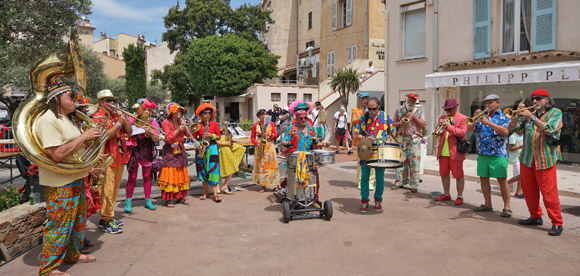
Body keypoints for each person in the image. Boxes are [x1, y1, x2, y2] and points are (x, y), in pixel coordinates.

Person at [37, 81, 101, 276]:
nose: (75, 100)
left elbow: (73, 152)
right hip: (59, 183)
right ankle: (48, 269)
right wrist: (84, 137)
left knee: (78, 221)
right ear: (56, 99)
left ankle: (72, 254)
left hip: (75, 177)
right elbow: (57, 154)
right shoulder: (48, 120)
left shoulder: (67, 119)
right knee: (59, 225)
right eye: (71, 96)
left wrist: (89, 165)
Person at [508, 89, 564, 236]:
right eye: (533, 99)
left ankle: (557, 222)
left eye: (538, 99)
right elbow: (513, 129)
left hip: (545, 158)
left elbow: (551, 130)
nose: (534, 102)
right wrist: (516, 116)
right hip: (527, 158)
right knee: (529, 191)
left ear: (547, 100)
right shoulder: (528, 114)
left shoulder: (555, 113)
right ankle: (535, 216)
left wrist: (531, 117)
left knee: (549, 192)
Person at [92, 89, 132, 234]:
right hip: (107, 159)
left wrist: (123, 119)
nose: (112, 103)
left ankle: (105, 218)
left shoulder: (114, 116)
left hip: (119, 157)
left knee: (114, 191)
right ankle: (107, 219)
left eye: (112, 100)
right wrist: (119, 123)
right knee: (107, 191)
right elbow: (103, 136)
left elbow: (129, 132)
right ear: (100, 102)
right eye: (108, 100)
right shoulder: (97, 117)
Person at [467, 94, 512, 218]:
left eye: (490, 102)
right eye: (486, 103)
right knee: (483, 179)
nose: (487, 105)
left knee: (502, 180)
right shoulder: (482, 116)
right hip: (483, 153)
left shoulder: (504, 116)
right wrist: (474, 118)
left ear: (497, 103)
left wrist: (488, 122)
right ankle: (488, 204)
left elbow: (505, 132)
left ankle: (507, 207)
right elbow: (469, 128)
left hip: (498, 153)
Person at [354, 97, 393, 212]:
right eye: (369, 109)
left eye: (374, 109)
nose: (371, 111)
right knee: (364, 177)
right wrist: (366, 138)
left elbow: (392, 131)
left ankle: (378, 200)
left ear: (378, 107)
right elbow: (357, 134)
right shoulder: (363, 118)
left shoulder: (386, 117)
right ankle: (364, 200)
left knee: (380, 178)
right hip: (366, 149)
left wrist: (389, 140)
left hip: (381, 150)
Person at [124, 98, 160, 213]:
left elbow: (156, 138)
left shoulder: (153, 122)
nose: (147, 112)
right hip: (135, 150)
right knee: (132, 176)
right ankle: (128, 201)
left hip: (146, 150)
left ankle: (148, 200)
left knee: (147, 175)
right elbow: (126, 133)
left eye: (149, 110)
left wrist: (150, 132)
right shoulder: (131, 119)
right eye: (145, 109)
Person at [433, 98, 467, 205]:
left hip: (455, 151)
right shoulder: (443, 117)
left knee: (458, 175)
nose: (447, 112)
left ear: (455, 107)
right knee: (444, 174)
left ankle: (460, 195)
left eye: (450, 109)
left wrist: (449, 127)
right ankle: (446, 194)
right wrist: (439, 128)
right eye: (446, 109)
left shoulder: (462, 118)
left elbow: (462, 133)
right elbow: (437, 133)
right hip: (443, 151)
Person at [392, 93, 426, 193]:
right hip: (402, 138)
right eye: (410, 100)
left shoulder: (419, 111)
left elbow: (424, 125)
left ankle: (414, 184)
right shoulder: (399, 110)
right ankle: (399, 182)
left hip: (414, 139)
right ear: (406, 100)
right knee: (400, 161)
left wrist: (414, 117)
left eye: (414, 101)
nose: (412, 102)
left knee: (414, 162)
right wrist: (400, 123)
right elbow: (393, 124)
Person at [159, 102, 191, 207]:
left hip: (180, 149)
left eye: (180, 111)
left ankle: (180, 197)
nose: (179, 113)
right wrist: (178, 130)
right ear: (171, 112)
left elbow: (188, 134)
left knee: (180, 172)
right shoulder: (165, 122)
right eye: (177, 111)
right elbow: (168, 139)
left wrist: (186, 127)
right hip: (170, 150)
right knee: (170, 173)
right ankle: (169, 199)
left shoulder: (181, 122)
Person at [193, 103, 223, 202]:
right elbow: (194, 137)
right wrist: (198, 145)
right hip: (202, 149)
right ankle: (205, 192)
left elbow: (219, 136)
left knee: (214, 170)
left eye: (209, 113)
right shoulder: (198, 125)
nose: (207, 115)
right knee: (203, 170)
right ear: (200, 114)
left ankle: (215, 194)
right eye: (205, 113)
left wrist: (212, 136)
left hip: (213, 148)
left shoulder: (214, 124)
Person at [251, 109, 279, 192]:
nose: (264, 116)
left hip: (269, 146)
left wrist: (270, 134)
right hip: (260, 146)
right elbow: (252, 137)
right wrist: (257, 143)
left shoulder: (271, 124)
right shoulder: (256, 125)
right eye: (262, 114)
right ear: (259, 116)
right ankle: (263, 185)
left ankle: (277, 183)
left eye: (265, 114)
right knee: (261, 166)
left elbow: (276, 135)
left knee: (272, 165)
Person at [352, 93, 374, 190]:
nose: (365, 100)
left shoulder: (372, 110)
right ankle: (360, 181)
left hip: (371, 139)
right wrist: (363, 115)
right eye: (363, 99)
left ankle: (371, 181)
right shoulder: (355, 110)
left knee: (372, 161)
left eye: (366, 98)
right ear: (360, 100)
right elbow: (353, 122)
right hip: (360, 139)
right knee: (360, 161)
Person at [216, 127, 248, 194]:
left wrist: (227, 135)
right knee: (230, 168)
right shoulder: (214, 132)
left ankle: (224, 186)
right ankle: (224, 186)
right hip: (222, 151)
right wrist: (226, 143)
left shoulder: (218, 132)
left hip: (226, 150)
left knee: (231, 167)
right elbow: (215, 142)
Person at [508, 102, 526, 199]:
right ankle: (507, 184)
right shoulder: (516, 117)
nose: (521, 108)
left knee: (521, 175)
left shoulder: (528, 116)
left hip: (521, 155)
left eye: (523, 107)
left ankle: (518, 191)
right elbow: (512, 127)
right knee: (521, 175)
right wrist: (517, 114)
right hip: (515, 156)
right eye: (519, 107)